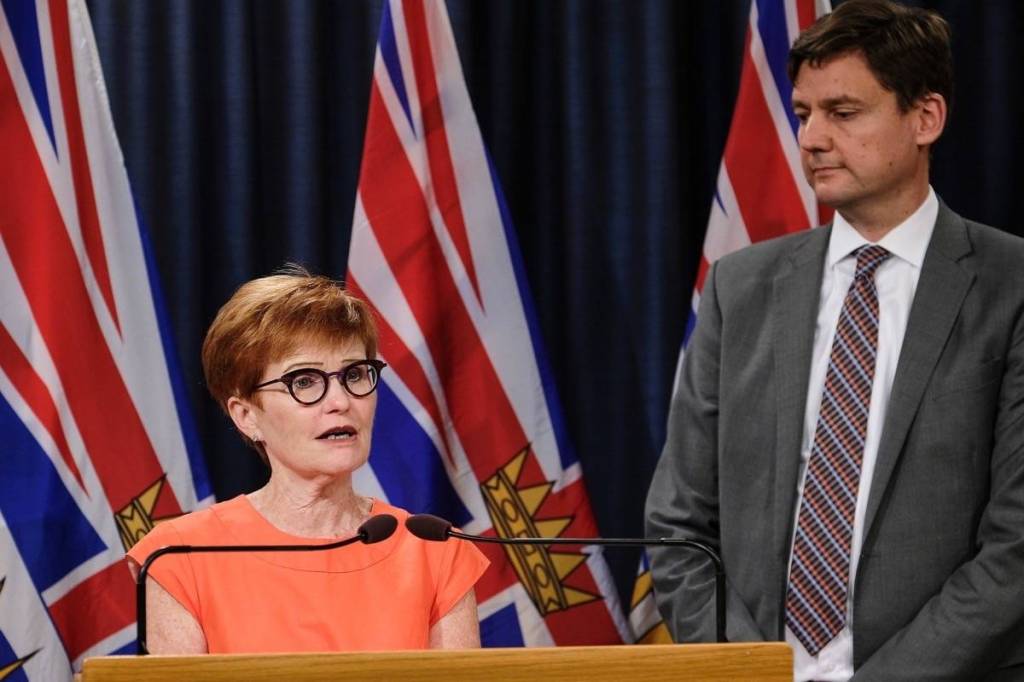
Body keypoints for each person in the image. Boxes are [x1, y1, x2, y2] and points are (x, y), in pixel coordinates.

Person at [645, 1, 1024, 679]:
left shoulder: (1011, 286)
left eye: (843, 113)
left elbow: (1016, 549)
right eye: (803, 113)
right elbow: (678, 526)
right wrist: (751, 669)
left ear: (925, 118)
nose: (813, 138)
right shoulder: (741, 287)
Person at [127, 266, 488, 654]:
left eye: (354, 374)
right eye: (304, 381)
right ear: (246, 416)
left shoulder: (435, 551)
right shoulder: (180, 557)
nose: (340, 401)